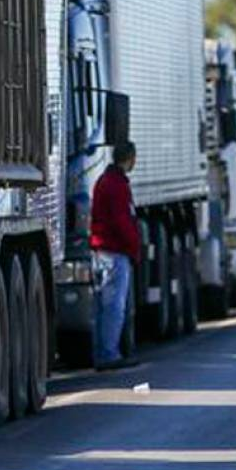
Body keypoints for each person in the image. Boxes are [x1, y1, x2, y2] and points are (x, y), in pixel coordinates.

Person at [90, 141, 142, 370]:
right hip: (115, 252)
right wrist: (134, 247)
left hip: (101, 251)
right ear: (129, 158)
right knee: (114, 306)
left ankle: (104, 351)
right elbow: (123, 221)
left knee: (103, 306)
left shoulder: (103, 181)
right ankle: (109, 354)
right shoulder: (118, 184)